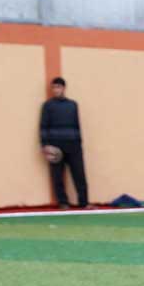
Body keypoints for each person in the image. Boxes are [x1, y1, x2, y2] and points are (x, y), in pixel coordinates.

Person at [38, 76, 89, 208]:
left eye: (58, 87)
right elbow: (43, 126)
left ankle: (83, 202)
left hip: (73, 145)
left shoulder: (72, 105)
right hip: (55, 146)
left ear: (64, 88)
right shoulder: (47, 106)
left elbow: (77, 125)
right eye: (54, 87)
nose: (56, 90)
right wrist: (45, 145)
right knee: (57, 176)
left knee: (79, 174)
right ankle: (63, 202)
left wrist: (79, 143)